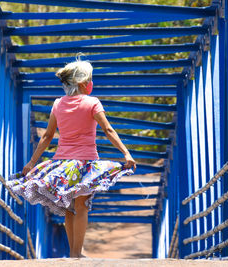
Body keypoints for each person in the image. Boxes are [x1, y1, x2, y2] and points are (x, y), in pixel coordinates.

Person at [8, 57, 136, 258]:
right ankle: (77, 253)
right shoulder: (93, 102)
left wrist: (31, 163)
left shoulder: (58, 104)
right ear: (85, 83)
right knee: (81, 206)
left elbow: (47, 136)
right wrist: (126, 153)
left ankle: (73, 253)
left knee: (68, 207)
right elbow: (108, 129)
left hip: (62, 164)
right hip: (85, 162)